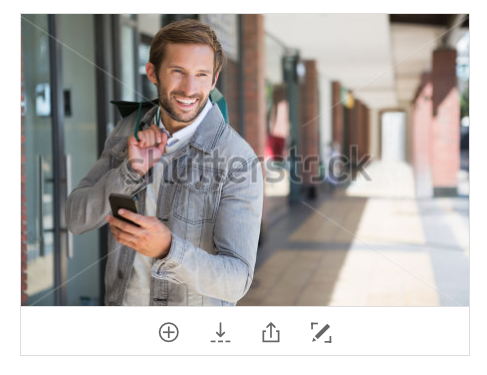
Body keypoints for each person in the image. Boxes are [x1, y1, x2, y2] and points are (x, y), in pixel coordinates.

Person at [65, 19, 263, 306]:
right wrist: (129, 171)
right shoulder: (127, 131)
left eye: (201, 74)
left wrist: (169, 249)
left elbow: (237, 281)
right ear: (152, 72)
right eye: (178, 72)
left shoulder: (237, 158)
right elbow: (75, 218)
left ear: (214, 79)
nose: (189, 88)